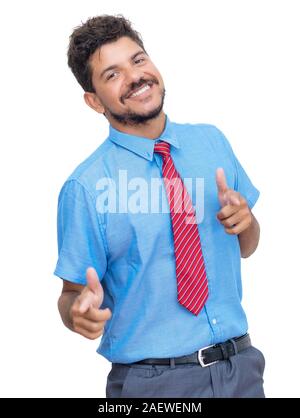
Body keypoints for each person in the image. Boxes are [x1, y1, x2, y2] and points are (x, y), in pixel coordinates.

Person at [54, 14, 265, 398]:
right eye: (112, 74)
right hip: (153, 385)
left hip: (242, 370)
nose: (135, 77)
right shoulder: (86, 187)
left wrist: (246, 223)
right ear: (93, 101)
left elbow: (247, 245)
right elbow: (71, 293)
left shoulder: (212, 143)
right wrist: (77, 313)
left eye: (138, 60)